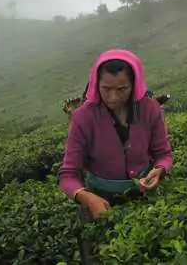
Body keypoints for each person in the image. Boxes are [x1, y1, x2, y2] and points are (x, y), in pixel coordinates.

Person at [58, 49, 174, 262]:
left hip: (143, 198)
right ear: (96, 85)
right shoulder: (83, 118)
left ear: (135, 84)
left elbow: (163, 154)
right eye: (106, 89)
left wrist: (159, 171)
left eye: (122, 89)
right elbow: (67, 175)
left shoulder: (150, 109)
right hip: (98, 201)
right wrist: (87, 198)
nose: (114, 97)